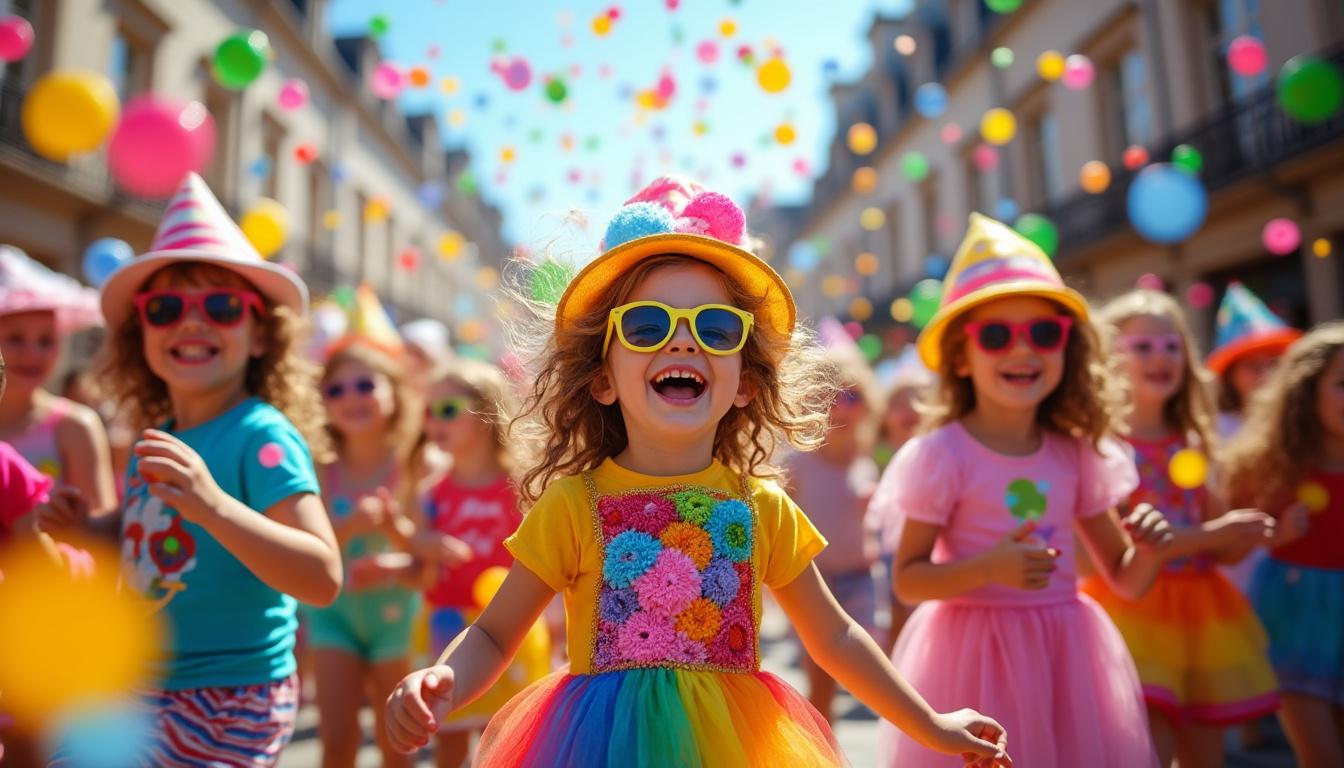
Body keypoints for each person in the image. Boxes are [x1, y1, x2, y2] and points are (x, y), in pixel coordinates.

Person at [386, 178, 1011, 767]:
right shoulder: (574, 504)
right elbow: (496, 633)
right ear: (602, 378)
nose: (683, 343)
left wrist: (928, 722)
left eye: (715, 329)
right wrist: (443, 679)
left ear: (745, 383)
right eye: (648, 325)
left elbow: (838, 638)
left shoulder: (763, 506)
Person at [874, 213, 1172, 768]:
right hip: (973, 660)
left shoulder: (1079, 452)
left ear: (1068, 347)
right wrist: (989, 568)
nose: (1022, 350)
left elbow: (1126, 580)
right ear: (962, 356)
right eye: (995, 335)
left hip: (1068, 656)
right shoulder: (944, 455)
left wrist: (1151, 551)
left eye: (1043, 332)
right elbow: (908, 580)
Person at [85, 173, 342, 765]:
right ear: (140, 333)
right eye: (167, 307)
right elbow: (140, 532)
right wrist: (85, 523)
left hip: (232, 698)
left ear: (260, 337)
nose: (192, 322)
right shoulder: (158, 438)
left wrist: (215, 506)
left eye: (222, 306)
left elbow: (322, 574)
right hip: (137, 684)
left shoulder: (262, 436)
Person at [1080, 290, 1279, 767]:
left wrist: (1258, 534)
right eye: (1143, 346)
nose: (1161, 357)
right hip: (1133, 610)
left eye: (1172, 345)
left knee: (1206, 753)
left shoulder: (1193, 439)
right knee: (1150, 746)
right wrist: (1222, 532)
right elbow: (1131, 544)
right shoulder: (1104, 447)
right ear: (1108, 359)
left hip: (1203, 613)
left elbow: (1221, 547)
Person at [412, 358, 550, 767]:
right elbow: (418, 544)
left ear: (486, 412)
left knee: (505, 738)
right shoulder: (432, 490)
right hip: (447, 623)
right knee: (448, 735)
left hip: (509, 630)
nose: (435, 420)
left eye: (448, 410)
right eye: (428, 411)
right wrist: (426, 543)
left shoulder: (521, 484)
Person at [1224, 323, 1344, 768]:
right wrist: (1276, 533)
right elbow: (1228, 551)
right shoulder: (1273, 467)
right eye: (1342, 384)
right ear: (1305, 394)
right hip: (1293, 612)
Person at [306, 336, 422, 768]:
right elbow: (306, 548)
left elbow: (428, 558)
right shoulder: (320, 467)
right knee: (337, 740)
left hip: (396, 621)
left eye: (365, 385)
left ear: (393, 392)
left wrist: (393, 563)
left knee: (399, 745)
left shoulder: (414, 465)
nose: (350, 397)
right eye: (336, 389)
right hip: (333, 617)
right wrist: (351, 524)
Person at [781, 350, 880, 724]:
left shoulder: (863, 458)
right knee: (820, 676)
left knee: (862, 653)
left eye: (850, 397)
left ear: (866, 406)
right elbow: (779, 521)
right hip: (813, 580)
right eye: (828, 398)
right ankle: (824, 739)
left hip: (859, 576)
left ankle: (826, 728)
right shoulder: (799, 462)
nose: (840, 407)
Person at [0, 245, 117, 519]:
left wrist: (72, 521)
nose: (32, 353)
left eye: (46, 340)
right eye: (15, 338)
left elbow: (105, 531)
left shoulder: (75, 427)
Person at [1207, 282, 1301, 440]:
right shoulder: (1215, 431)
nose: (1266, 373)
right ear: (1230, 375)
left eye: (1274, 363)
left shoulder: (1303, 420)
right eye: (1253, 366)